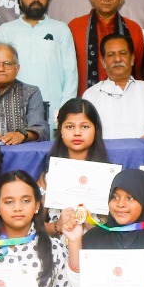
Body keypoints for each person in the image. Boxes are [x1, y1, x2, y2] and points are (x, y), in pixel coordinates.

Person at [0, 0, 77, 120]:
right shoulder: (5, 30)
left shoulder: (61, 29)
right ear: (20, 0)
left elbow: (70, 73)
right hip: (13, 108)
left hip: (53, 109)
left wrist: (65, 110)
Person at [39, 99, 113, 235]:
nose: (77, 133)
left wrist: (93, 227)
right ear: (60, 129)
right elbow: (33, 228)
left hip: (97, 245)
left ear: (96, 129)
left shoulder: (109, 176)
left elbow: (118, 229)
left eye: (84, 127)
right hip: (58, 246)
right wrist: (57, 226)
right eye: (69, 127)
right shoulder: (49, 177)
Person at [69, 0, 144, 94]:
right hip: (85, 101)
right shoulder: (75, 27)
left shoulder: (133, 29)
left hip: (126, 99)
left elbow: (139, 72)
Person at [81, 32, 144, 139]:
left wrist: (134, 147)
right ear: (103, 62)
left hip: (143, 149)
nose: (117, 59)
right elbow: (86, 133)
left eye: (123, 53)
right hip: (103, 150)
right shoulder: (90, 95)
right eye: (111, 55)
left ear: (132, 59)